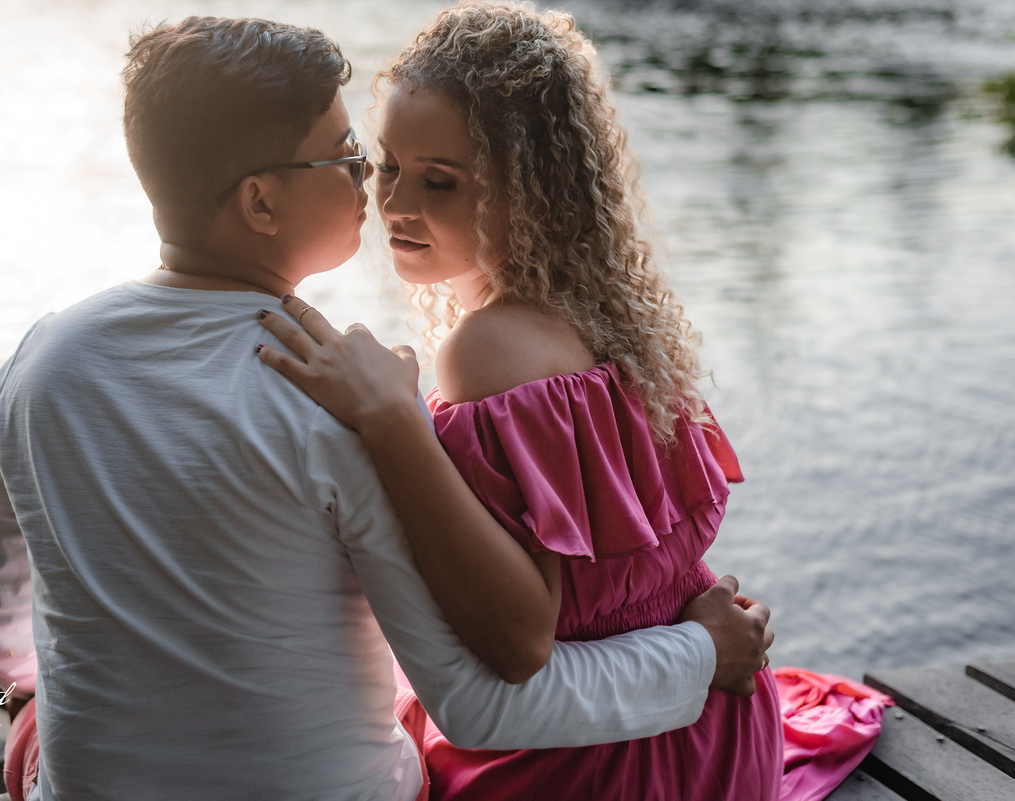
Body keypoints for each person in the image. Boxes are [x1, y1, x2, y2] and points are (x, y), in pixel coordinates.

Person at [0, 15, 773, 801]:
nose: (372, 188)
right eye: (355, 159)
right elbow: (482, 699)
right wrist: (700, 654)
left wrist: (38, 698)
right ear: (260, 204)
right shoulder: (341, 400)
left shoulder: (39, 360)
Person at [254, 3, 790, 799]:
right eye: (386, 166)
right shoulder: (605, 319)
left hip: (613, 754)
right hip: (720, 726)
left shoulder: (486, 350)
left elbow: (518, 643)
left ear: (535, 193)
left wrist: (392, 420)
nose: (396, 205)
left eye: (440, 181)